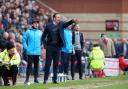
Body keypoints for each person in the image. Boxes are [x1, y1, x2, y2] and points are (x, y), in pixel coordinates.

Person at [42, 13, 77, 84]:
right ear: (54, 18)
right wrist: (45, 45)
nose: (59, 19)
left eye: (59, 17)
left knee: (56, 64)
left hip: (58, 47)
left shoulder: (61, 24)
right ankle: (45, 79)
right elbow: (43, 36)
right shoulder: (48, 25)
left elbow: (67, 24)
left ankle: (55, 79)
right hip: (50, 47)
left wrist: (72, 21)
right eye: (57, 17)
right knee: (48, 63)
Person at [22, 20, 43, 84]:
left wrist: (41, 45)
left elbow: (43, 40)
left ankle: (35, 79)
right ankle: (27, 79)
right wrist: (26, 47)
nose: (36, 25)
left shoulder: (40, 32)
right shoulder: (28, 32)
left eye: (37, 24)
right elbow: (24, 39)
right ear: (32, 24)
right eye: (35, 23)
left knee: (36, 66)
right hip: (30, 51)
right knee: (29, 66)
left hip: (37, 52)